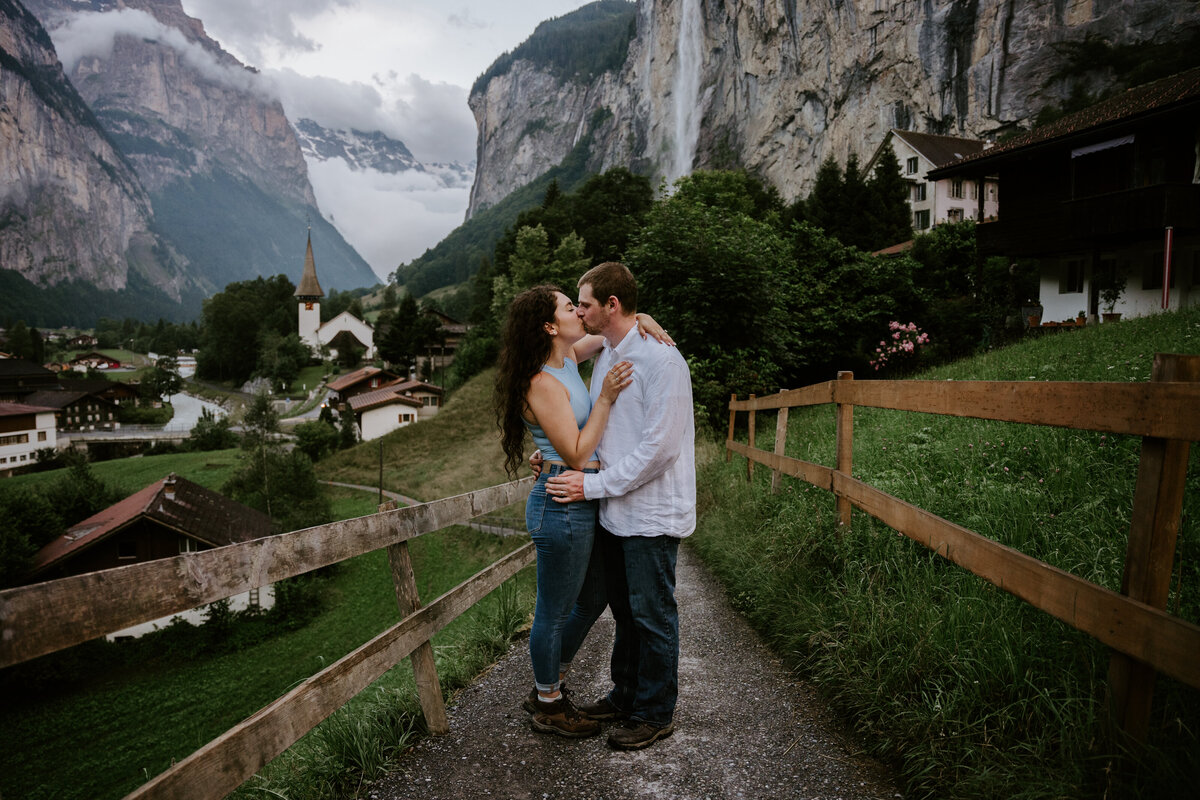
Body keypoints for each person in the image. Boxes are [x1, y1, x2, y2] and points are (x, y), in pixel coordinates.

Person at [494, 284, 666, 739]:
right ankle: (549, 702)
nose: (578, 311)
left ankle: (549, 683)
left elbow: (612, 332)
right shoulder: (541, 382)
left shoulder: (568, 359)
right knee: (552, 610)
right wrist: (605, 398)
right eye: (570, 308)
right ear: (551, 325)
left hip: (579, 499)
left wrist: (640, 315)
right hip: (561, 502)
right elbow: (573, 453)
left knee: (593, 598)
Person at [545, 261, 696, 751]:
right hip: (617, 509)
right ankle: (624, 695)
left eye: (584, 303)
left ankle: (655, 711)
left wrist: (590, 487)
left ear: (610, 305)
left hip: (650, 512)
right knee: (627, 614)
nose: (579, 310)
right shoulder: (609, 352)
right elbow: (605, 430)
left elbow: (659, 450)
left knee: (653, 614)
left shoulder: (662, 361)